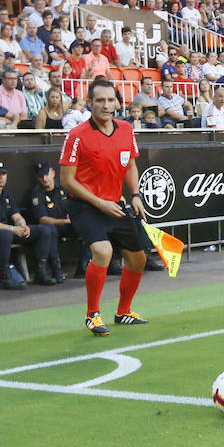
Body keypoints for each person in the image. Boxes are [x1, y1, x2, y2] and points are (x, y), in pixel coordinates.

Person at [59, 77, 151, 336]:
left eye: (110, 100)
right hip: (85, 206)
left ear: (117, 102)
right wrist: (99, 202)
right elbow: (67, 180)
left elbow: (131, 165)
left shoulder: (126, 129)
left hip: (116, 204)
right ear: (90, 103)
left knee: (138, 258)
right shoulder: (76, 136)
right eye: (100, 100)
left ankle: (123, 312)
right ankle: (93, 314)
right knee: (102, 251)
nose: (106, 105)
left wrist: (135, 195)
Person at [0, 161, 59, 289]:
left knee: (44, 230)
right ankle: (3, 276)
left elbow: (16, 216)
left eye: (4, 174)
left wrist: (23, 226)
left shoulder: (7, 195)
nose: (1, 177)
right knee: (5, 234)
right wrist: (12, 229)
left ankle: (41, 272)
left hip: (9, 232)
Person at [28, 162, 76, 283]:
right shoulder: (37, 193)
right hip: (53, 227)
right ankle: (56, 270)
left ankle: (85, 267)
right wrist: (65, 221)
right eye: (41, 176)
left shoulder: (64, 187)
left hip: (69, 225)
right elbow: (42, 219)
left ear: (53, 173)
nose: (44, 179)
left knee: (88, 225)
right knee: (50, 229)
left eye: (46, 174)